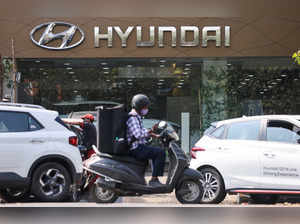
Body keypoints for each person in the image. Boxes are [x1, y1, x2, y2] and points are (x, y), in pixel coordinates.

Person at [127, 94, 166, 187]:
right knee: (160, 153)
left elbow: (141, 131)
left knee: (155, 150)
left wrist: (152, 133)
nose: (146, 109)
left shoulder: (136, 116)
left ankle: (152, 178)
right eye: (145, 107)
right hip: (135, 148)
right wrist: (150, 131)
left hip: (137, 146)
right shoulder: (132, 118)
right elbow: (138, 134)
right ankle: (154, 180)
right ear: (139, 107)